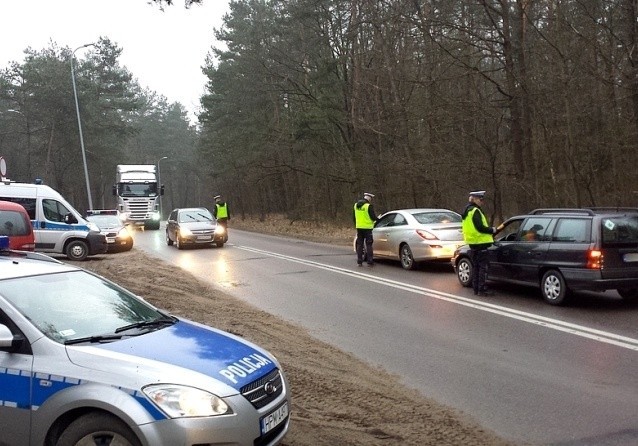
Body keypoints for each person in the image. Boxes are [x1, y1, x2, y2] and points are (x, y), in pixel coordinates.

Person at [461, 190, 503, 296]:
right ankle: (482, 289)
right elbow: (480, 227)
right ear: (474, 199)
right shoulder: (475, 211)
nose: (482, 202)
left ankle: (476, 289)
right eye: (480, 199)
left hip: (473, 243)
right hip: (481, 242)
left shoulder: (467, 211)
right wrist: (492, 230)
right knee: (483, 268)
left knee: (476, 267)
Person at [353, 192, 378, 266]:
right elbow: (373, 217)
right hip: (367, 228)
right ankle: (370, 261)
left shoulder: (356, 205)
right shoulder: (368, 206)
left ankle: (359, 261)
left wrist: (356, 225)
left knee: (360, 245)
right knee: (369, 244)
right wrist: (377, 219)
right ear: (369, 199)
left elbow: (354, 217)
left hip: (359, 228)